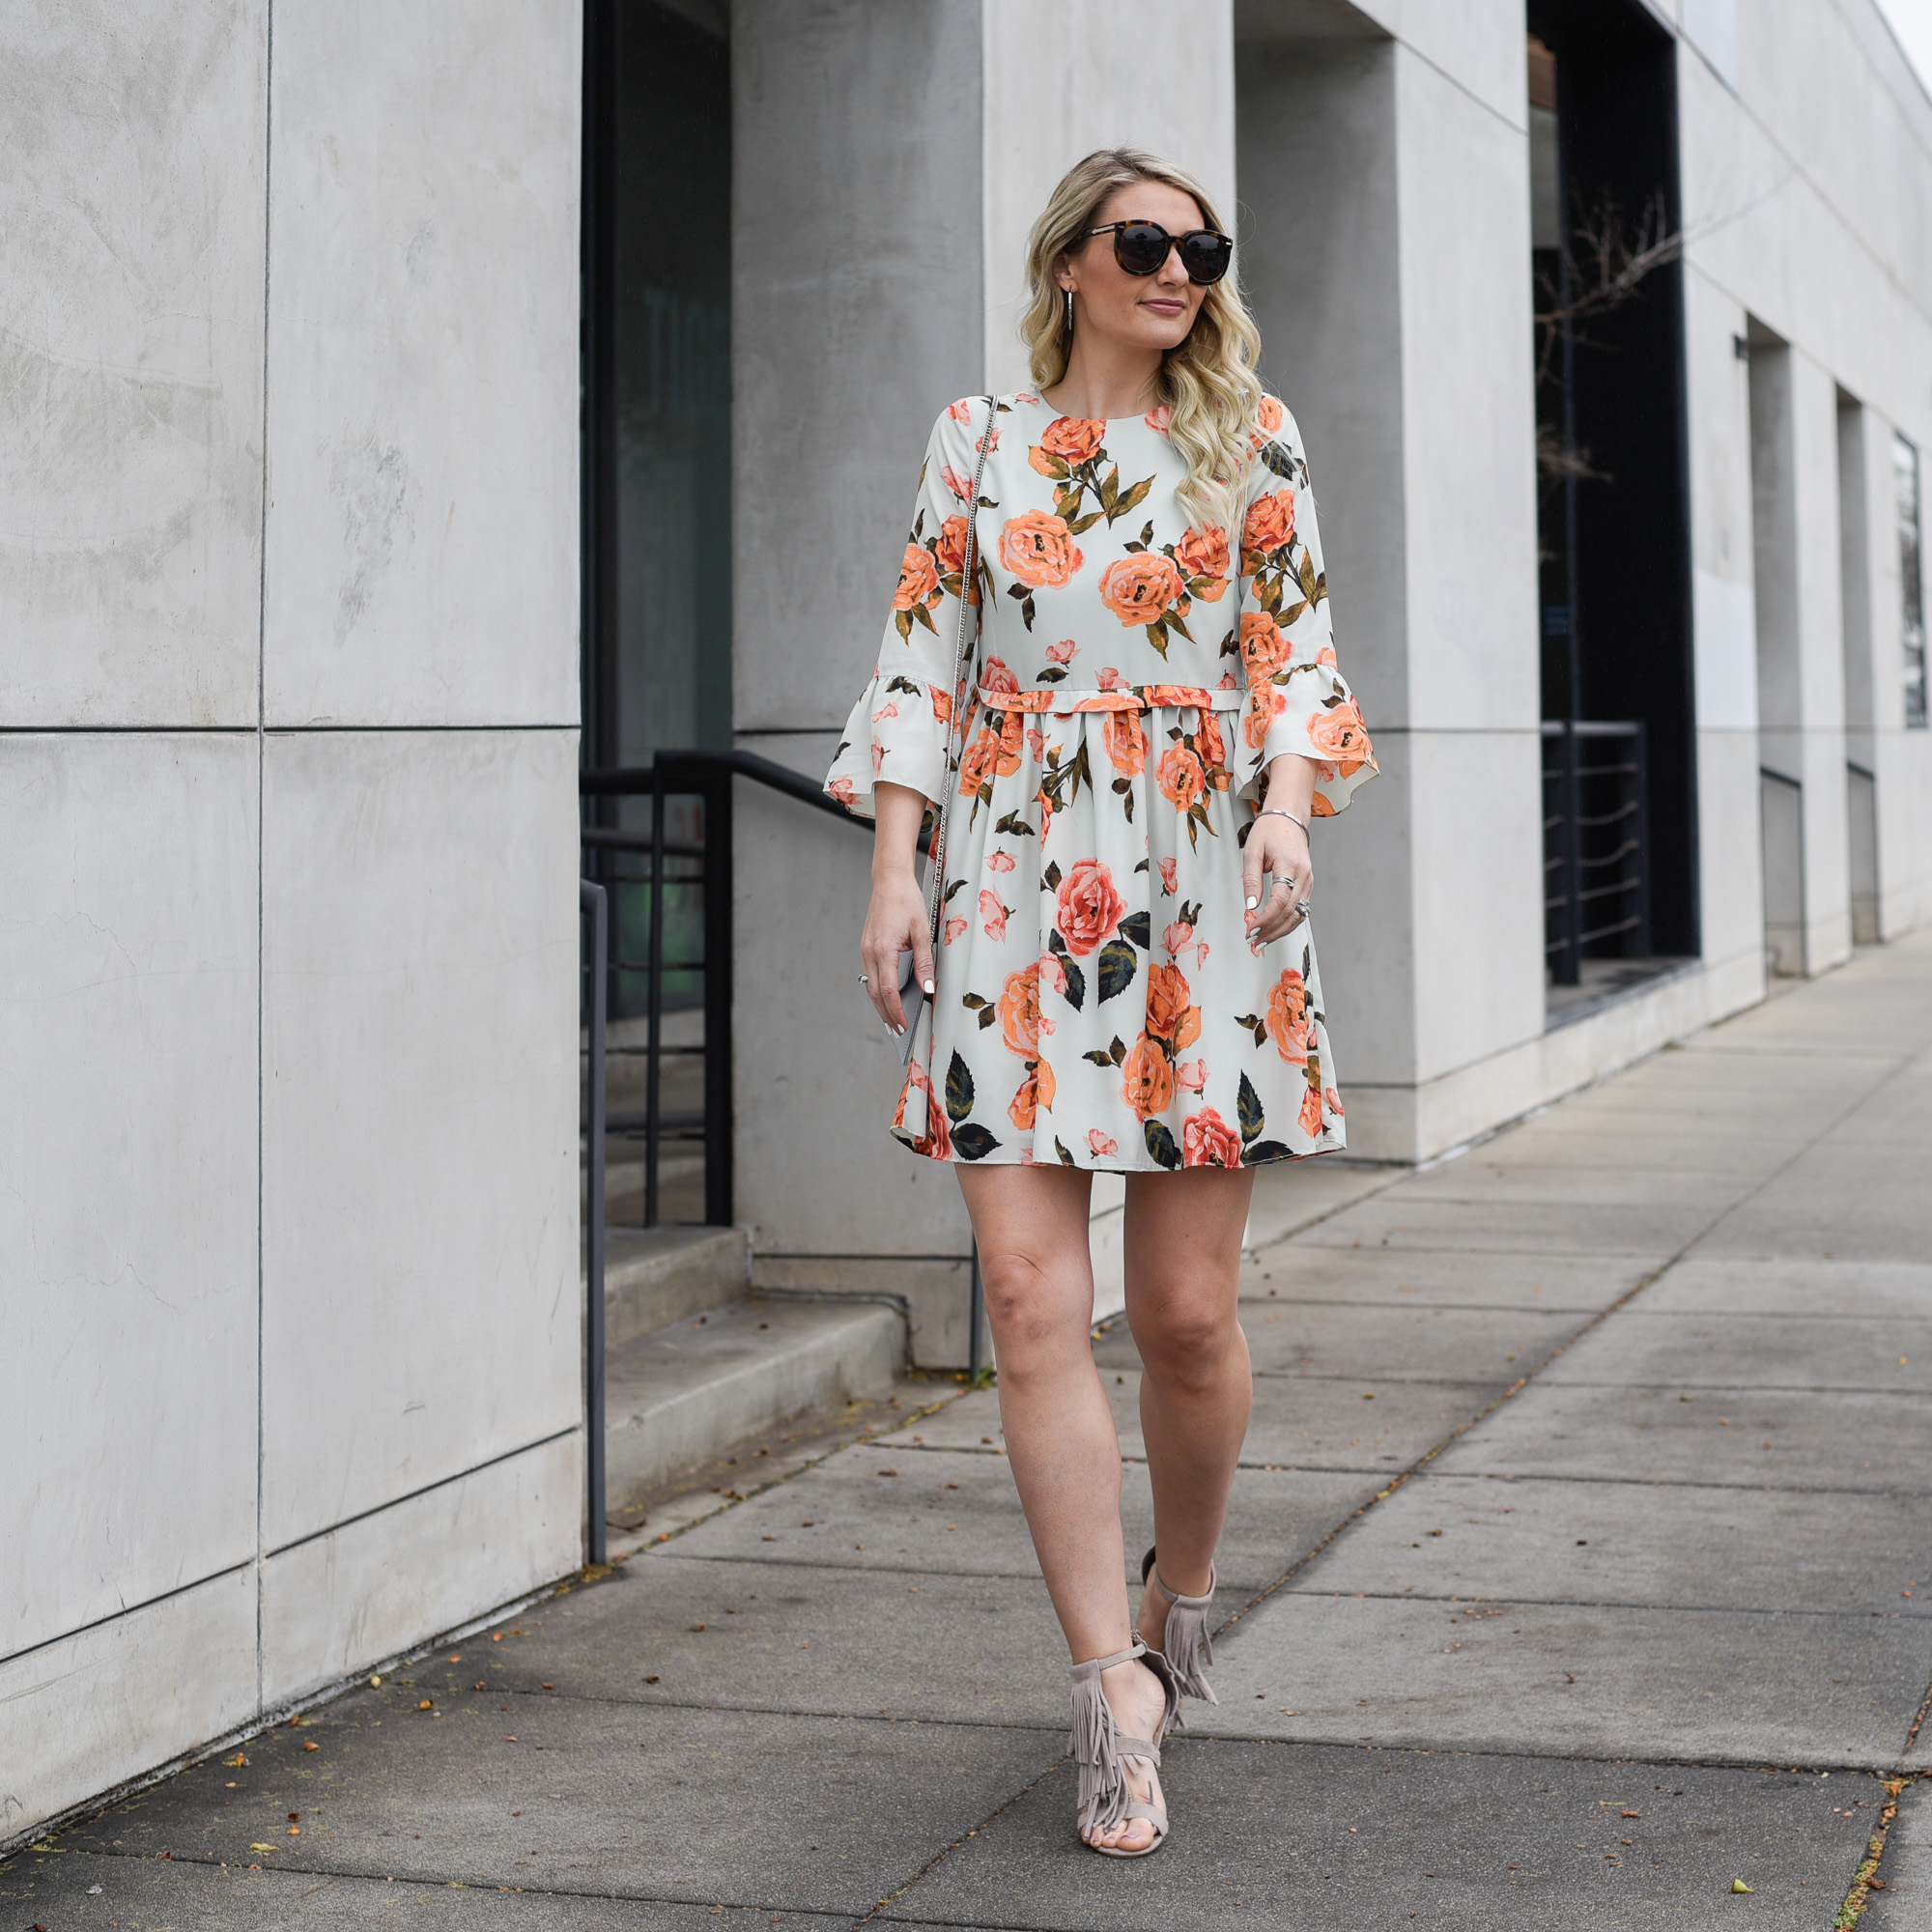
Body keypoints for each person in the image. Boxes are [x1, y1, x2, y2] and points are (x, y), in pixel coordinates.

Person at [826, 148, 1375, 1857]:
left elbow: (1298, 652)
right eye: (1147, 243)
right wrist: (894, 868)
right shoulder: (976, 443)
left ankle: (1179, 1599)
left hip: (1204, 881)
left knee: (1190, 1318)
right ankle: (1106, 1696)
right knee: (1025, 1290)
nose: (1181, 269)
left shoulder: (1250, 436)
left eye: (1204, 246)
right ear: (1069, 260)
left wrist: (1286, 805)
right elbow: (926, 654)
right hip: (1005, 877)